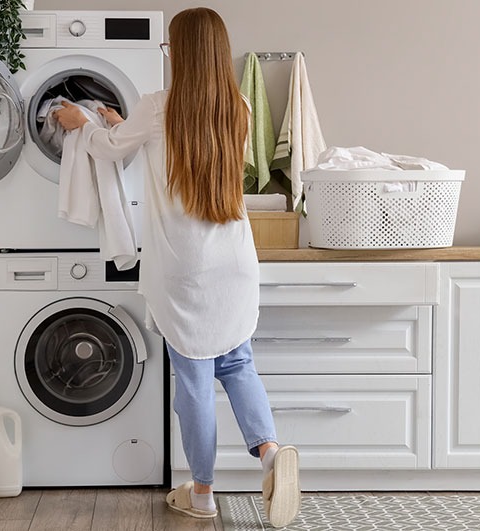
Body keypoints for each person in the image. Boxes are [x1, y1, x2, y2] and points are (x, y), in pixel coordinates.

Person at [53, 6, 300, 528]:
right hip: (233, 262)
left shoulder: (156, 105)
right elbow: (176, 146)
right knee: (237, 364)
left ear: (181, 53)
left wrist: (82, 121)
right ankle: (273, 454)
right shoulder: (239, 107)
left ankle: (203, 494)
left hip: (183, 270)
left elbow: (107, 148)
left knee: (193, 380)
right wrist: (128, 125)